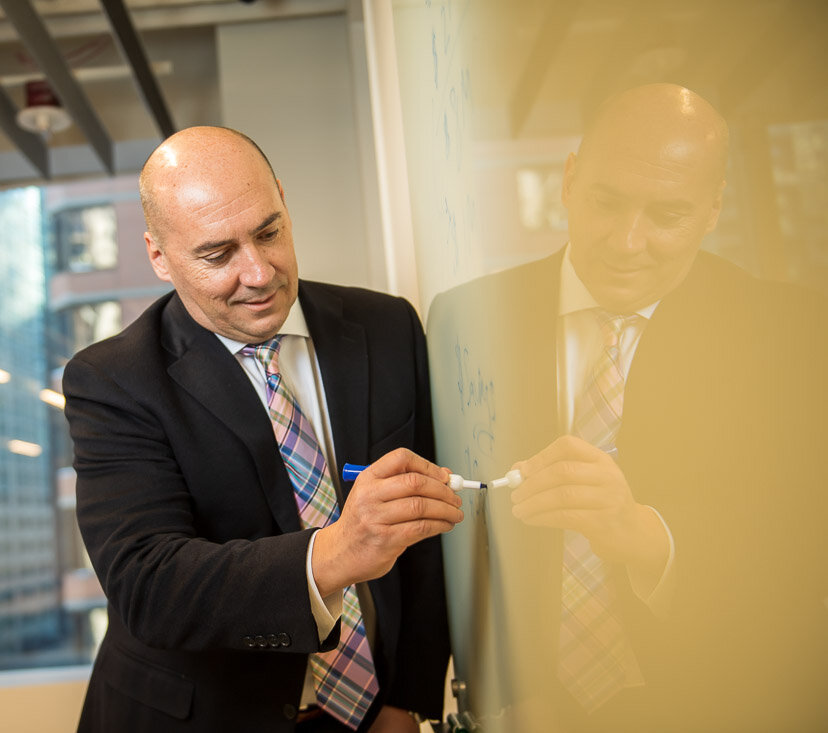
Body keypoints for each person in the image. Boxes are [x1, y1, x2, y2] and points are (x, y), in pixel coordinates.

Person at [427, 83, 828, 732]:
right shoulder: (466, 319)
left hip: (726, 701)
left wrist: (645, 536)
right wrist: (508, 688)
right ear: (569, 178)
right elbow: (457, 526)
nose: (627, 240)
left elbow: (801, 543)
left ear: (713, 209)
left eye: (666, 214)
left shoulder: (791, 336)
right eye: (607, 202)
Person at [63, 126, 460, 732]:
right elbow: (150, 585)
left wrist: (408, 698)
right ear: (158, 256)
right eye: (217, 254)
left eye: (269, 232)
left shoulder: (387, 327)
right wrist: (336, 551)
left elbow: (427, 532)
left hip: (375, 715)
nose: (258, 272)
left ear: (282, 200)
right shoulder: (113, 380)